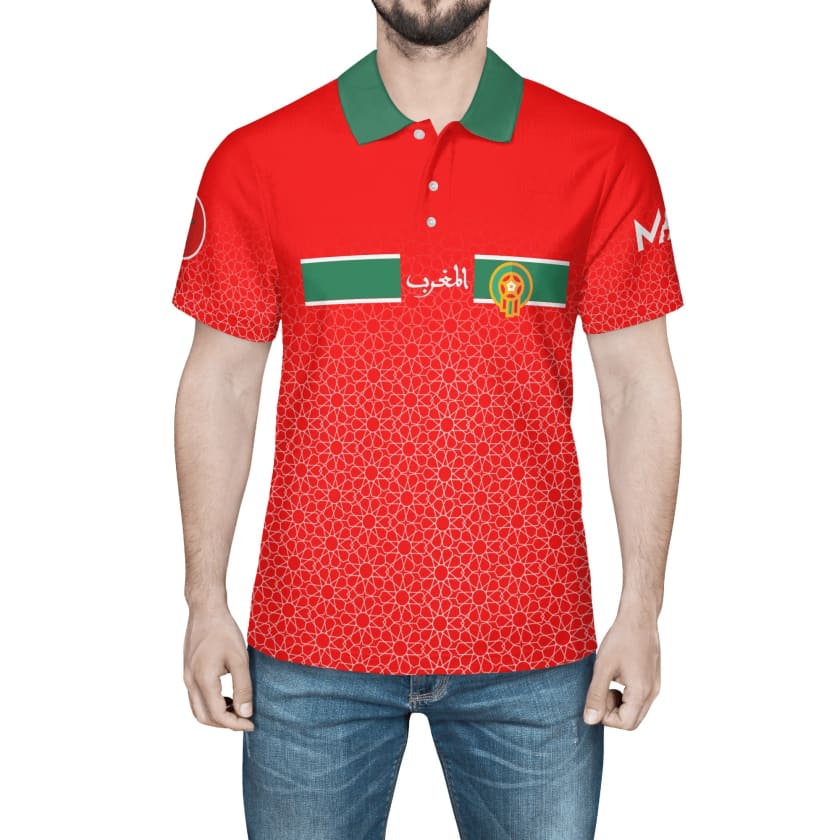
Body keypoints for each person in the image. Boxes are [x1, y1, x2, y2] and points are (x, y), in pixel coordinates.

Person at [171, 1, 684, 837]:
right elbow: (220, 385)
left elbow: (637, 389)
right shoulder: (257, 160)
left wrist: (642, 608)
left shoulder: (602, 156)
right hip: (308, 648)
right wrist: (204, 602)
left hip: (535, 651)